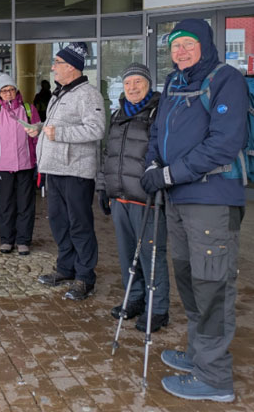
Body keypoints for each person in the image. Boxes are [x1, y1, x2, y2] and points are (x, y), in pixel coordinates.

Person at [141, 19, 247, 403]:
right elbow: (157, 134)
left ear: (204, 44)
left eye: (188, 44)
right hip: (178, 199)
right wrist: (152, 166)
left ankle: (215, 378)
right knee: (189, 279)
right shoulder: (173, 82)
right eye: (175, 46)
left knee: (212, 285)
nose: (180, 51)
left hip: (211, 200)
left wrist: (170, 174)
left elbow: (225, 143)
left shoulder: (226, 80)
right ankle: (199, 355)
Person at [96, 62, 169, 332]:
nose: (132, 87)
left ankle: (157, 308)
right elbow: (108, 153)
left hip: (145, 198)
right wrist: (103, 187)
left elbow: (164, 152)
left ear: (148, 84)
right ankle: (134, 297)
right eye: (128, 83)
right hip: (120, 197)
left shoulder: (159, 113)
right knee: (127, 254)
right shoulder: (118, 114)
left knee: (151, 254)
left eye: (138, 82)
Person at [29, 43, 105, 301]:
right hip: (55, 168)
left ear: (71, 66)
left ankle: (85, 277)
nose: (53, 68)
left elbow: (96, 129)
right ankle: (66, 268)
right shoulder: (59, 93)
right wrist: (40, 128)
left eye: (57, 63)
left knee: (79, 224)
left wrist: (58, 133)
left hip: (76, 171)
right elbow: (55, 126)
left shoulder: (88, 94)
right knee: (59, 222)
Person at [0, 74, 39, 256]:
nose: (8, 93)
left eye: (11, 89)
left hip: (26, 164)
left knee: (25, 204)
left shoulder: (28, 110)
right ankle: (7, 239)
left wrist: (40, 163)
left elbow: (37, 139)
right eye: (4, 90)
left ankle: (23, 240)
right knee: (6, 204)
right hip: (4, 166)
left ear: (16, 90)